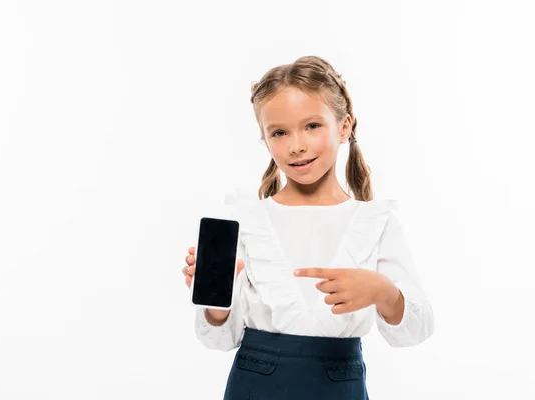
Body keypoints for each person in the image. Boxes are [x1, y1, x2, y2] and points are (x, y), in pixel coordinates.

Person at [181, 55, 434, 399]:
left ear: (344, 126)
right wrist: (215, 303)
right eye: (279, 132)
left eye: (312, 126)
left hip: (338, 385)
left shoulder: (375, 224)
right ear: (265, 140)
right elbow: (219, 339)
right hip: (254, 385)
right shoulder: (248, 221)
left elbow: (416, 330)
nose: (296, 145)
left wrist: (382, 291)